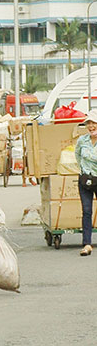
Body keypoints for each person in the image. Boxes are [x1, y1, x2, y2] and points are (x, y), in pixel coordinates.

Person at [75, 109, 97, 256]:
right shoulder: (82, 140)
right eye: (88, 123)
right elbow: (77, 155)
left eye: (94, 123)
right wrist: (84, 170)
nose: (91, 126)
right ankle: (87, 244)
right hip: (85, 180)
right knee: (87, 211)